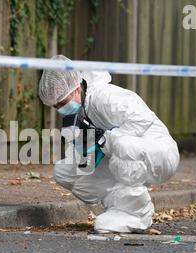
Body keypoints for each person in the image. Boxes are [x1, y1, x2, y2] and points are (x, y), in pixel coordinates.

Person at [38, 55, 180, 233]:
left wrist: (106, 139)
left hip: (160, 152)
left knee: (122, 145)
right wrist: (87, 151)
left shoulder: (105, 97)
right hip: (122, 152)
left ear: (76, 89)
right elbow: (86, 153)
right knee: (66, 171)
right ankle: (120, 208)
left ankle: (138, 214)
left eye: (62, 103)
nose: (60, 109)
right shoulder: (80, 110)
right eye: (56, 106)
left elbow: (142, 119)